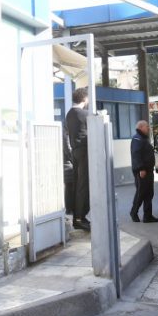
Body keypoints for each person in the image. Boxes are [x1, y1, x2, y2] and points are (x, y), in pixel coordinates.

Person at [64, 87, 91, 231]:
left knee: (77, 185)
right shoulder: (84, 114)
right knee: (83, 185)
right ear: (84, 99)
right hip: (84, 152)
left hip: (75, 152)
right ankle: (80, 218)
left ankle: (78, 217)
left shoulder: (69, 114)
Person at [129, 120, 158, 223]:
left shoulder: (142, 138)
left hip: (148, 170)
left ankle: (147, 216)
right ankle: (134, 212)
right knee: (141, 193)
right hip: (142, 171)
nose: (148, 128)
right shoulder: (137, 138)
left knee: (149, 193)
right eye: (147, 126)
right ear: (141, 127)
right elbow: (136, 154)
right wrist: (141, 168)